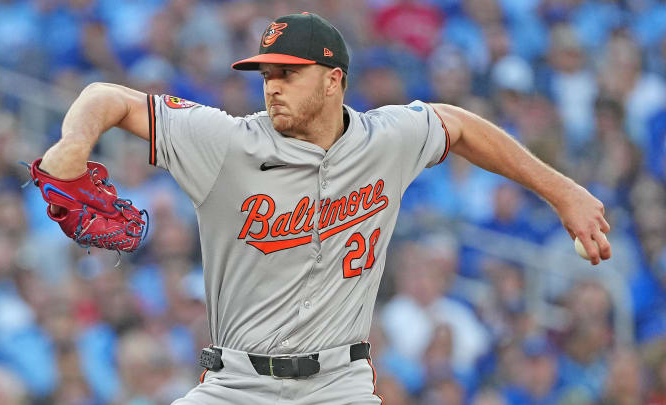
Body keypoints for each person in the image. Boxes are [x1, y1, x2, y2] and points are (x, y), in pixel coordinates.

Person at [37, 12, 611, 405]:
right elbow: (104, 97)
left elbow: (457, 125)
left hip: (340, 383)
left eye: (288, 72)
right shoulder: (226, 141)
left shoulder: (385, 140)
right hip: (237, 384)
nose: (272, 86)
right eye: (266, 73)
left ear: (334, 79)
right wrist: (70, 148)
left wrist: (565, 193)